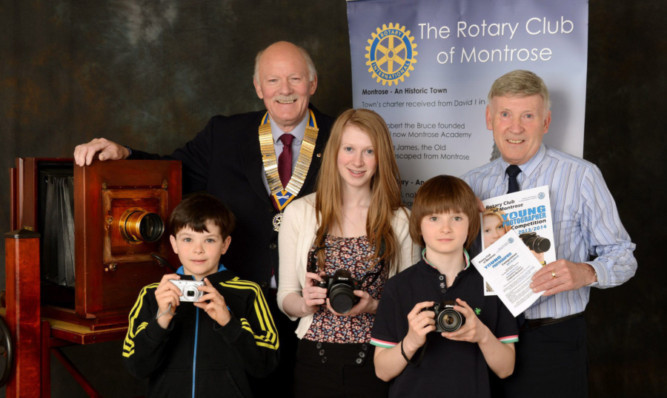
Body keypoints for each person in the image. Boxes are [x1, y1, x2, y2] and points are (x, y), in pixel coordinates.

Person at [74, 41, 334, 394]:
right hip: (237, 301)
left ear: (313, 84)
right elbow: (173, 174)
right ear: (258, 87)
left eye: (295, 79)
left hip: (315, 306)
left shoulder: (341, 138)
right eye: (273, 80)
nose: (284, 90)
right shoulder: (223, 134)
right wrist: (127, 155)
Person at [462, 70, 637, 398]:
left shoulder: (581, 176)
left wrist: (585, 271)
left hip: (553, 341)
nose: (516, 128)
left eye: (528, 115)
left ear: (546, 121)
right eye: (505, 114)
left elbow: (623, 255)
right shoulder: (469, 183)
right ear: (489, 118)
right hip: (486, 338)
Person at [277, 108, 419, 398]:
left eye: (369, 151)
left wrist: (374, 307)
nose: (357, 161)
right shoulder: (300, 213)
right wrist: (306, 304)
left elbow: (410, 305)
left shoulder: (401, 220)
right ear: (334, 152)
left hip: (379, 360)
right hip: (313, 361)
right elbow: (285, 297)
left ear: (382, 158)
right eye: (350, 149)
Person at [371, 175, 518, 398]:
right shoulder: (398, 287)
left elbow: (506, 369)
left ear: (472, 224)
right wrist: (411, 341)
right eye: (434, 218)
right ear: (418, 225)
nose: (446, 228)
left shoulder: (493, 283)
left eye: (457, 218)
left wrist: (482, 335)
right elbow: (382, 372)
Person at [122, 193, 278, 397]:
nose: (198, 250)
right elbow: (137, 368)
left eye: (210, 240)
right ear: (174, 243)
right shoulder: (153, 294)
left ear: (225, 244)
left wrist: (229, 322)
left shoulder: (248, 292)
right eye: (187, 239)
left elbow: (265, 365)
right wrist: (161, 320)